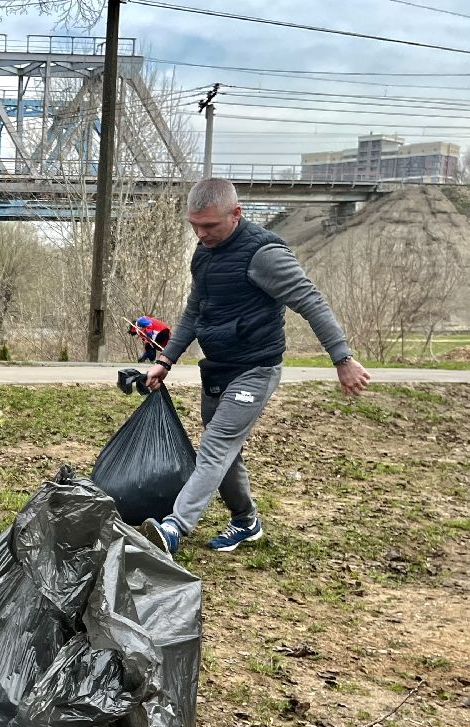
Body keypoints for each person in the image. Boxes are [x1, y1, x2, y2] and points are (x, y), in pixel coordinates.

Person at [141, 178, 371, 557]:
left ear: (236, 214)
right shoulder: (203, 253)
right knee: (226, 451)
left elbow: (311, 302)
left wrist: (342, 359)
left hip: (256, 369)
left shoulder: (264, 254)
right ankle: (246, 522)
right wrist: (166, 360)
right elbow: (194, 311)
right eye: (194, 225)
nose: (201, 234)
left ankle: (173, 529)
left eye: (210, 226)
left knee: (215, 446)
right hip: (217, 367)